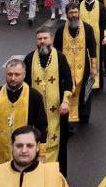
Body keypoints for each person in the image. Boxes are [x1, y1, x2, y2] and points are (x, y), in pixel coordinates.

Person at [0, 58, 49, 171]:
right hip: (0, 154)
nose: (13, 78)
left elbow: (42, 127)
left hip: (27, 155)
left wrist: (41, 154)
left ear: (24, 75)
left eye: (17, 74)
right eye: (9, 74)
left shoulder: (34, 96)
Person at [25, 27, 74, 174]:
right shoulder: (29, 59)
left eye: (45, 38)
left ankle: (59, 176)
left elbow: (68, 81)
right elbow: (25, 85)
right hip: (36, 113)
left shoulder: (59, 57)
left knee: (60, 143)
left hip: (58, 110)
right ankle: (37, 174)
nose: (42, 42)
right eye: (39, 39)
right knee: (35, 141)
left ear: (51, 39)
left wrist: (65, 101)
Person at [54, 3, 96, 127]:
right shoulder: (61, 29)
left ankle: (83, 116)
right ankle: (67, 116)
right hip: (65, 68)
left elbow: (92, 48)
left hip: (83, 67)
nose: (73, 15)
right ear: (67, 14)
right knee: (66, 90)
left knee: (84, 92)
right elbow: (56, 49)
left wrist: (94, 67)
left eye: (75, 12)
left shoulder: (87, 28)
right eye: (71, 13)